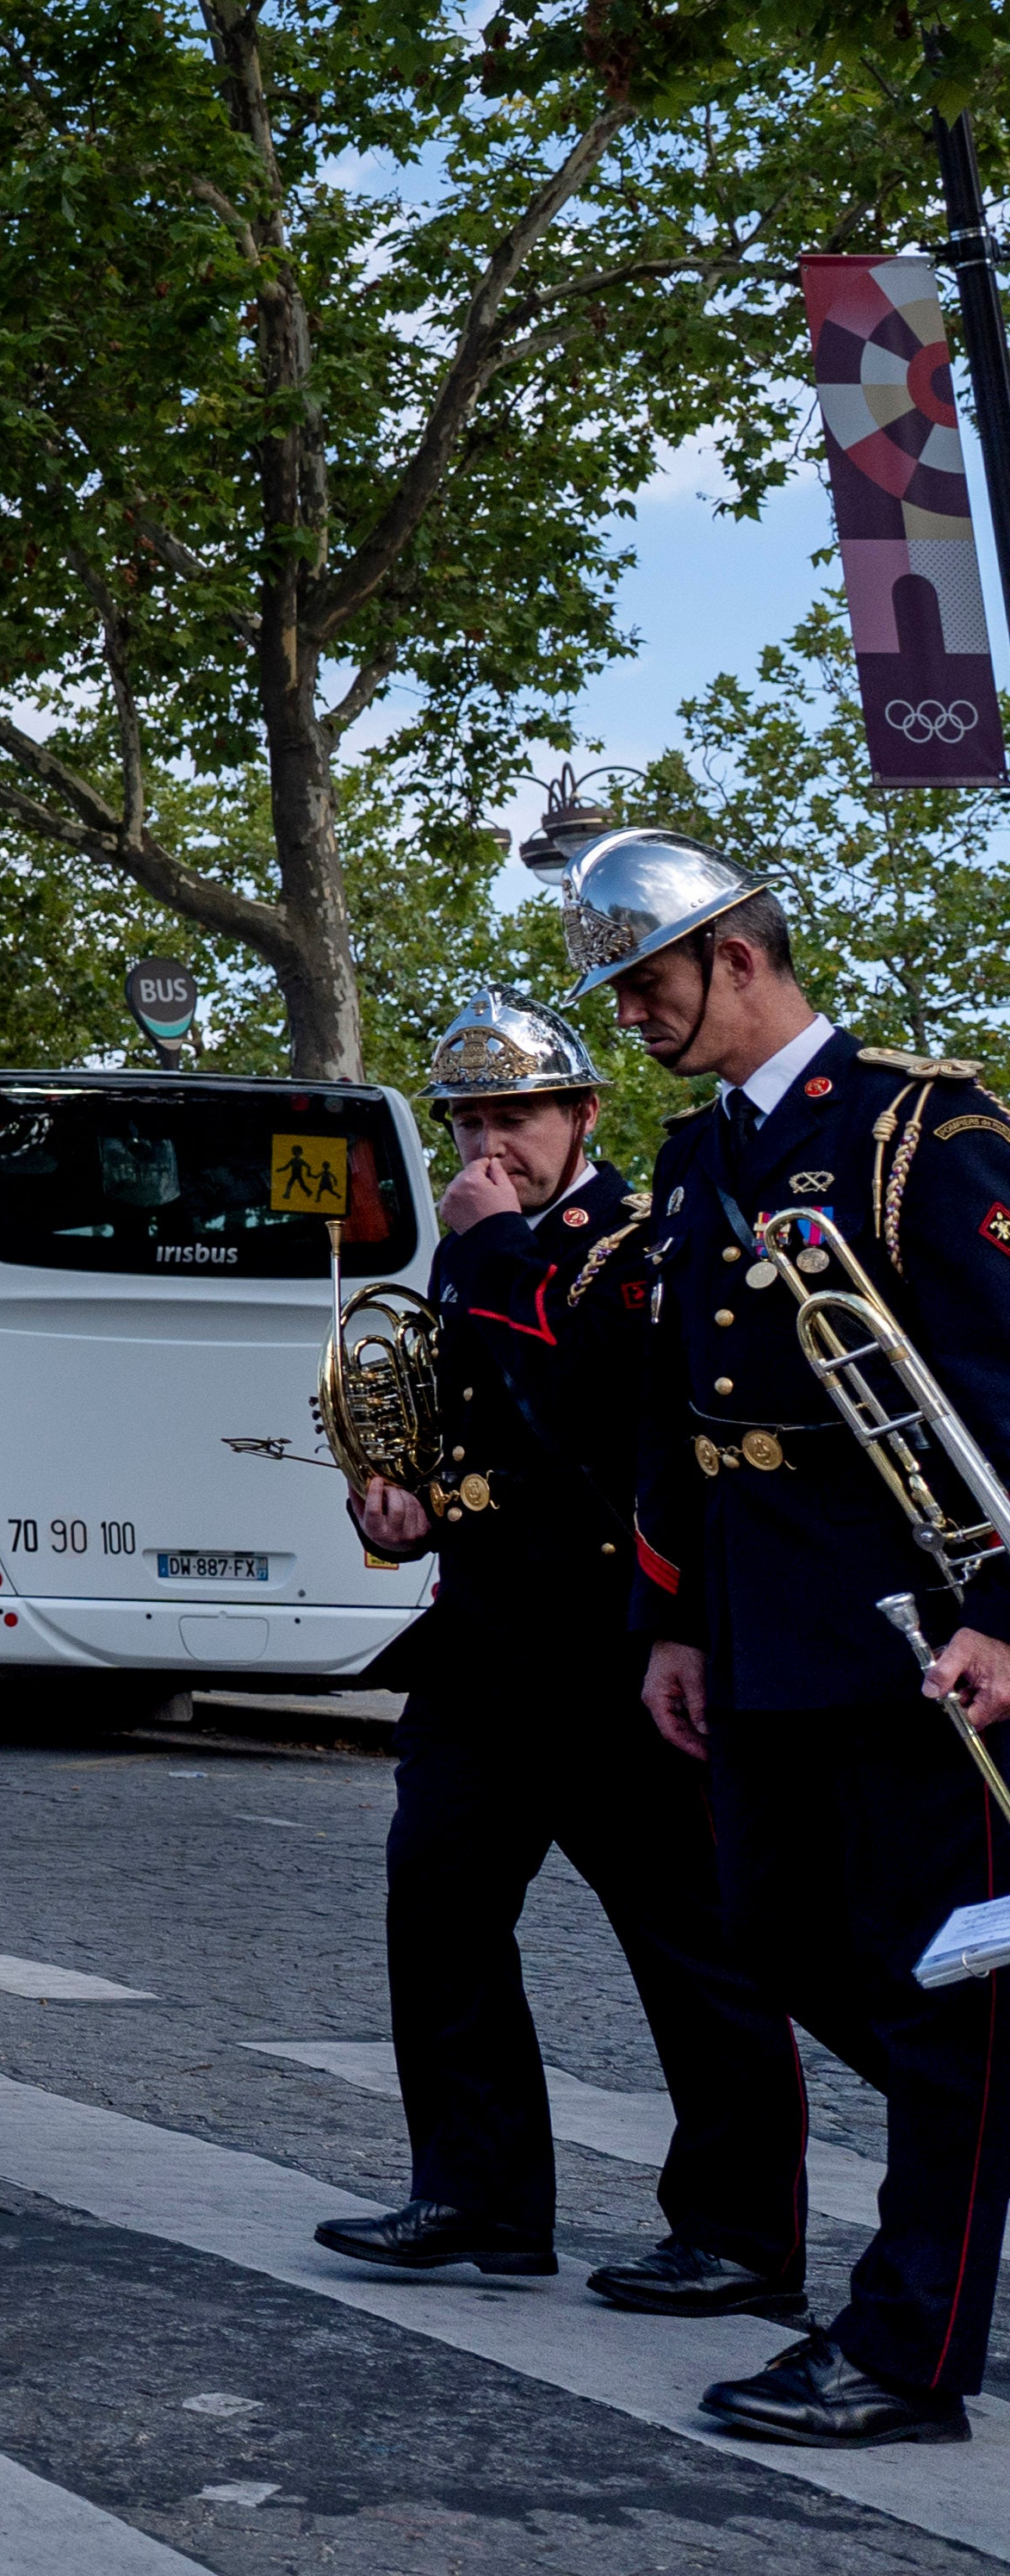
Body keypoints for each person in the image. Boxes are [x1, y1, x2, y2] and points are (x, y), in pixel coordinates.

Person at [588, 829, 1010, 2445]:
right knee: (774, 1938)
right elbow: (677, 1420)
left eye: (647, 986)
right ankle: (961, 2185)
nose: (633, 1018)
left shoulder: (922, 1128)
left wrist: (1008, 1622)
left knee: (946, 1997)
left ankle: (906, 2353)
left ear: (739, 962)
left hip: (924, 1636)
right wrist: (670, 1624)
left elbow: (1008, 1389)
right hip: (766, 1631)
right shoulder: (700, 1155)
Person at [307, 985, 803, 2314]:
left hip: (619, 1652)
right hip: (481, 1650)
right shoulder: (489, 1244)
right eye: (465, 1119)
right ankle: (480, 2196)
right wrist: (395, 1502)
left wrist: (487, 1249)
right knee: (440, 1905)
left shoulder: (633, 1243)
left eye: (512, 1115)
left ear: (584, 1113)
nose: (484, 1145)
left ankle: (742, 2233)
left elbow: (587, 1402)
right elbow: (457, 1436)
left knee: (693, 1947)